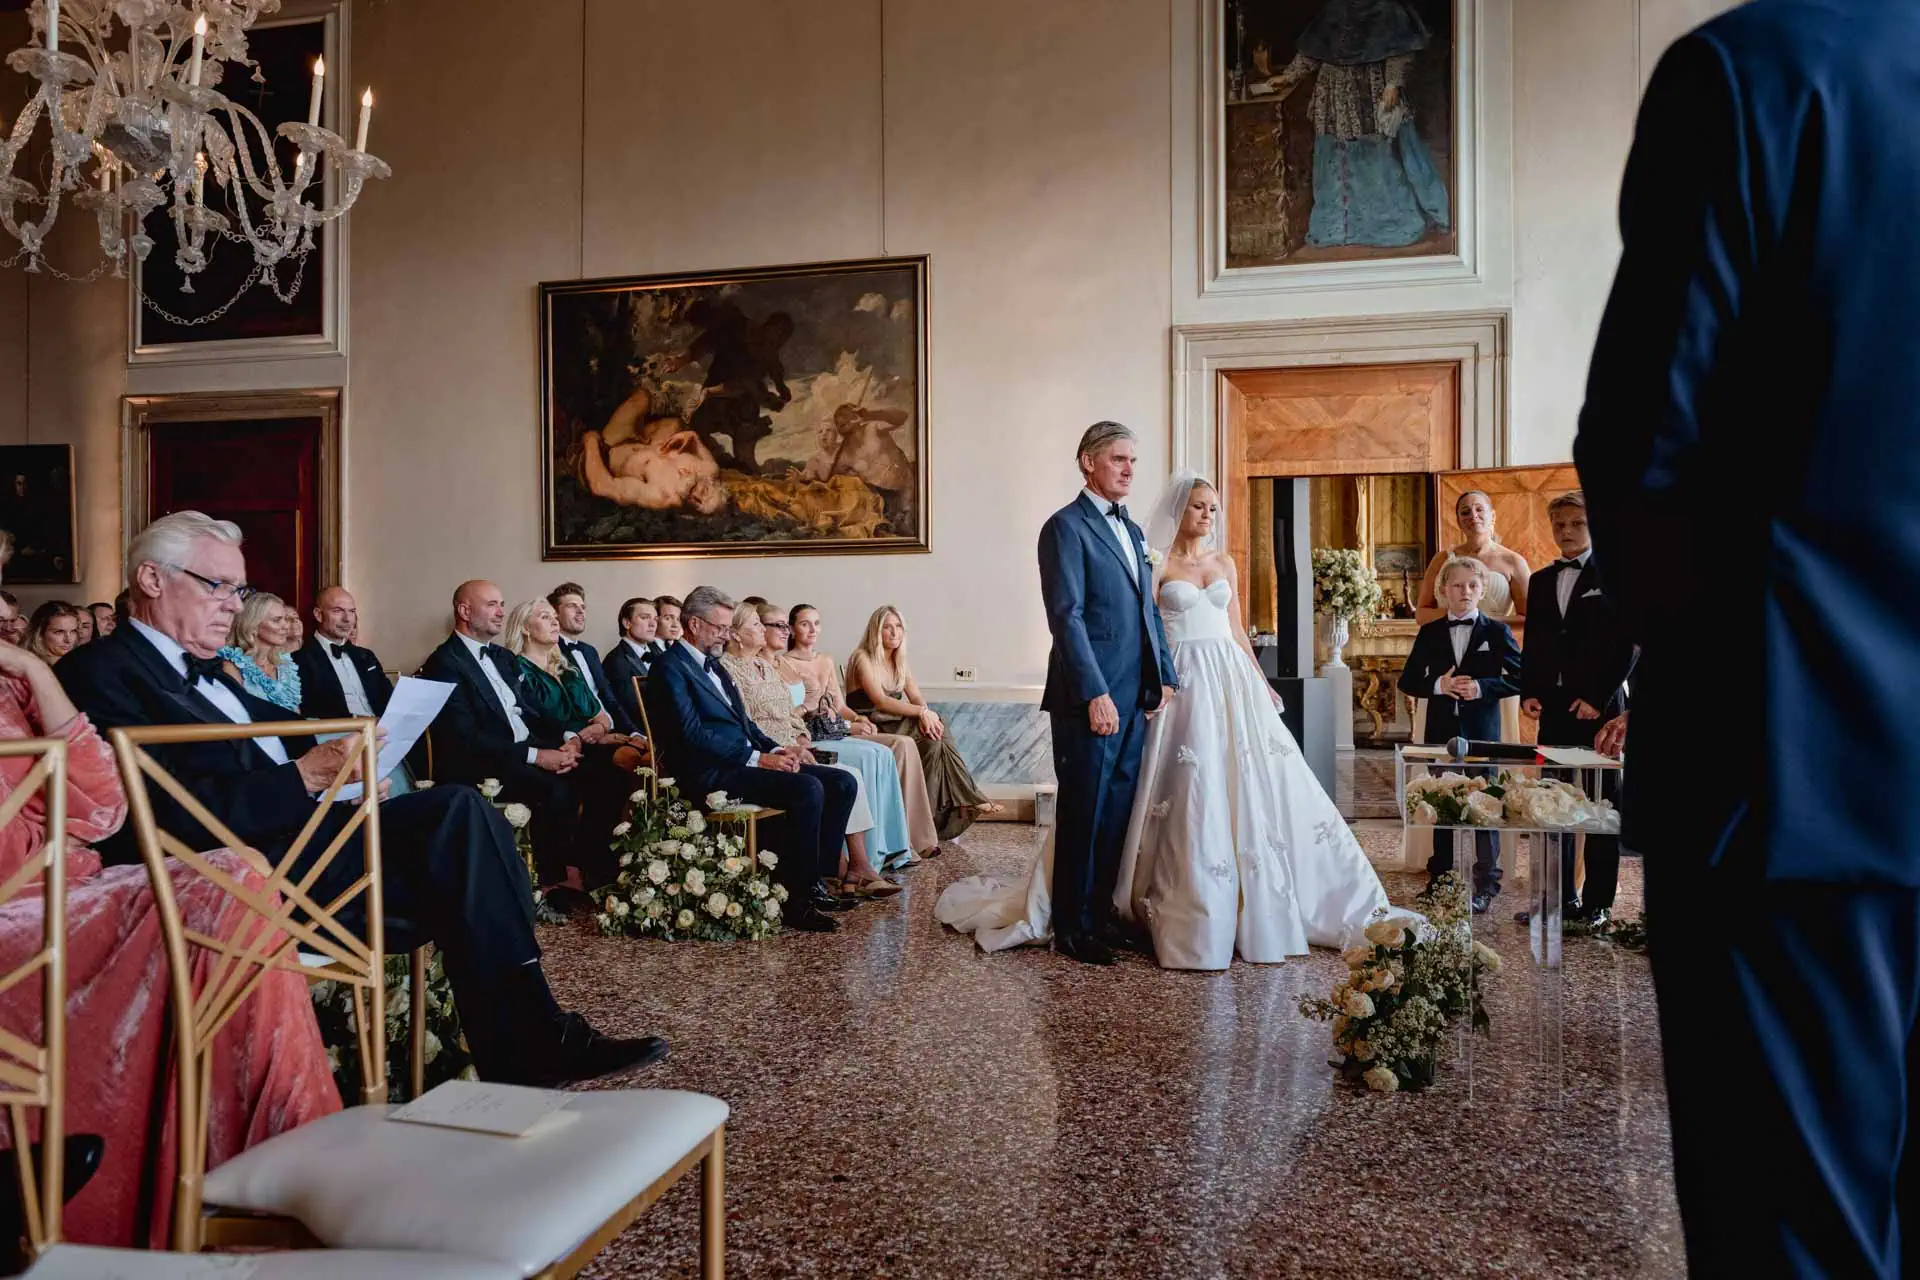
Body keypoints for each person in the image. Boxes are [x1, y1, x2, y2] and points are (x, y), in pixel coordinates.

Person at [1575, 6, 1920, 1272]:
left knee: (1798, 1240)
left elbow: (1638, 451)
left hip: (1793, 778)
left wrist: (1704, 668)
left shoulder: (1752, 77)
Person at [56, 512, 665, 1088]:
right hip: (243, 873)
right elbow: (145, 812)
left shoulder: (212, 670)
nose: (230, 605)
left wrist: (349, 766)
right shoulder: (101, 672)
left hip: (313, 845)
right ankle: (530, 1039)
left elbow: (288, 736)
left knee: (461, 818)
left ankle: (531, 1037)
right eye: (216, 585)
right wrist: (306, 777)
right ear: (151, 579)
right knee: (460, 836)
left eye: (238, 591)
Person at [0, 544, 339, 1250]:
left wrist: (33, 672)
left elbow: (100, 811)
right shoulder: (105, 666)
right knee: (235, 882)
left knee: (234, 875)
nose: (7, 617)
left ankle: (287, 1172)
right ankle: (296, 1182)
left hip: (81, 886)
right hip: (24, 909)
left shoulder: (14, 684)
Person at [939, 474, 1398, 968]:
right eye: (1199, 506)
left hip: (1228, 678)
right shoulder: (1155, 562)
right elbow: (1143, 624)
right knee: (1169, 788)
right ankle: (1131, 903)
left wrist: (1260, 682)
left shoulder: (1225, 563)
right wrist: (1156, 680)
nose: (1207, 515)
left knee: (1242, 786)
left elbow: (1236, 628)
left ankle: (1250, 901)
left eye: (1214, 508)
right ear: (1179, 510)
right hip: (1176, 677)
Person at [960, 421, 1175, 967]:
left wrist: (1164, 674)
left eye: (1133, 461)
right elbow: (1067, 617)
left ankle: (1100, 915)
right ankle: (1072, 930)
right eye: (1119, 459)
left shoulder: (1131, 530)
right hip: (1091, 697)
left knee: (1117, 812)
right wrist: (1094, 693)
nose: (1129, 469)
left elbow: (1148, 610)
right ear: (1088, 462)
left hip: (1136, 695)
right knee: (1084, 811)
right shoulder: (1065, 527)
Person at [641, 585, 856, 933]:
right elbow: (691, 736)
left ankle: (817, 880)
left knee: (843, 782)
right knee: (807, 789)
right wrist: (757, 759)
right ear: (694, 625)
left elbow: (746, 723)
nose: (726, 635)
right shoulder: (670, 668)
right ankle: (796, 900)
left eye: (728, 628)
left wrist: (775, 749)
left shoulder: (715, 666)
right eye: (720, 628)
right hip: (708, 772)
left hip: (740, 761)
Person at [418, 580, 591, 905]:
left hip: (522, 751)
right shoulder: (445, 662)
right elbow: (464, 738)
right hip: (483, 763)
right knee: (556, 787)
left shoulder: (501, 657)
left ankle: (580, 868)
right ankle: (551, 882)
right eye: (492, 605)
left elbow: (533, 712)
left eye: (501, 604)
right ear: (465, 611)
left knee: (597, 770)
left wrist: (567, 741)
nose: (501, 612)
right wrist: (537, 756)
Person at [722, 607, 902, 899]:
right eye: (758, 624)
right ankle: (843, 869)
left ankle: (846, 868)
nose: (777, 631)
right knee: (844, 776)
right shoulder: (727, 670)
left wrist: (802, 737)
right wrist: (781, 748)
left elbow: (787, 712)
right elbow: (745, 724)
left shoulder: (766, 667)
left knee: (849, 776)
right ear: (735, 634)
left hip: (792, 742)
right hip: (767, 751)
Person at [1251, 0, 1450, 251]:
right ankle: (1341, 228)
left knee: (1380, 159)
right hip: (1334, 93)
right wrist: (1288, 76)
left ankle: (1386, 225)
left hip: (1371, 87)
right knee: (1335, 156)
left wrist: (1392, 83)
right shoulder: (1334, 8)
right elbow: (1313, 52)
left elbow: (1400, 48)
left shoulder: (1387, 8)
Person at [1520, 491, 1634, 927]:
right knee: (1553, 802)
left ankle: (1598, 903)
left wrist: (1597, 697)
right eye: (1559, 525)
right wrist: (1530, 689)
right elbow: (1535, 639)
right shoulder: (1542, 580)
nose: (1565, 532)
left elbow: (1630, 643)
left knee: (1603, 807)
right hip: (1553, 708)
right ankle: (1558, 898)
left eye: (1576, 524)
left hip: (1601, 711)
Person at [1399, 556, 1521, 913]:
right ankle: (1442, 880)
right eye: (1456, 586)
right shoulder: (1430, 632)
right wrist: (1440, 684)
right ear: (1443, 592)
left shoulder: (1496, 632)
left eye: (1471, 585)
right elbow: (1408, 681)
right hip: (1442, 735)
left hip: (1483, 735)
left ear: (1482, 589)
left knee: (1485, 808)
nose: (1464, 592)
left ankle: (1486, 883)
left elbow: (1520, 677)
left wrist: (1482, 688)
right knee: (1443, 805)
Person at [781, 603, 940, 862]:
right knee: (901, 744)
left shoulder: (826, 660)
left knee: (906, 744)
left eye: (817, 623)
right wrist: (842, 722)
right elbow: (795, 711)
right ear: (791, 629)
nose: (812, 630)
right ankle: (897, 843)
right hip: (813, 732)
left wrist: (858, 718)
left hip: (837, 728)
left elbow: (840, 705)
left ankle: (913, 838)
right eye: (804, 624)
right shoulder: (783, 663)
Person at [504, 597, 634, 891]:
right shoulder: (515, 668)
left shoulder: (566, 666)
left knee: (615, 773)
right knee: (587, 778)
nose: (554, 622)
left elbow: (601, 714)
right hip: (550, 747)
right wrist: (576, 737)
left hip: (585, 746)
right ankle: (567, 871)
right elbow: (536, 718)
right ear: (525, 628)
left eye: (554, 616)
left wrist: (598, 727)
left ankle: (594, 861)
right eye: (544, 616)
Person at [846, 605, 998, 843]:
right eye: (887, 627)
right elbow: (881, 701)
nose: (894, 633)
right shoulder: (862, 657)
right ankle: (970, 795)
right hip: (871, 724)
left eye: (898, 627)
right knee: (937, 725)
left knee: (934, 741)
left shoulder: (899, 661)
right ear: (876, 631)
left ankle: (925, 822)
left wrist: (927, 714)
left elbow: (916, 697)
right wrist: (922, 712)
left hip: (894, 722)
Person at [291, 586, 396, 721]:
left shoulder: (366, 656)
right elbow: (310, 713)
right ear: (318, 614)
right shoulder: (298, 660)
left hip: (381, 733)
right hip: (336, 736)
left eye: (352, 611)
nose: (347, 619)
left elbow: (388, 699)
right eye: (338, 611)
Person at [548, 582, 638, 736]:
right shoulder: (548, 651)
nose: (580, 612)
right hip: (584, 734)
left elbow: (609, 698)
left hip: (613, 728)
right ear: (555, 613)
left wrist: (633, 732)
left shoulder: (589, 651)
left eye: (582, 607)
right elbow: (560, 708)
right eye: (572, 606)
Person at [216, 592, 302, 712]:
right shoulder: (232, 666)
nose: (286, 626)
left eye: (285, 619)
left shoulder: (285, 664)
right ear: (253, 625)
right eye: (277, 620)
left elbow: (296, 714)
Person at [602, 596, 658, 729]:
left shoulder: (660, 654)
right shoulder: (615, 661)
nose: (652, 624)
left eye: (655, 619)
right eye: (645, 617)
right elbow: (631, 709)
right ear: (627, 623)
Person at [26, 601, 81, 665]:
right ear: (40, 634)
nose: (68, 640)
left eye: (73, 631)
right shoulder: (29, 666)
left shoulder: (79, 663)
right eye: (59, 632)